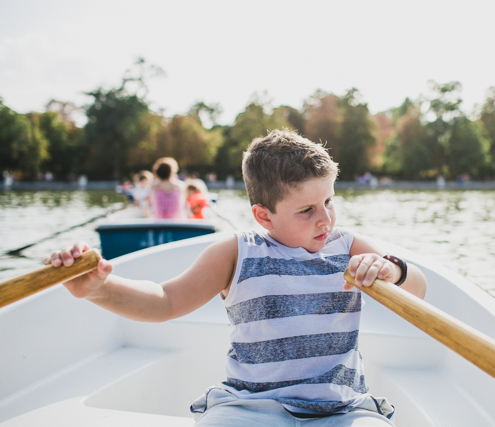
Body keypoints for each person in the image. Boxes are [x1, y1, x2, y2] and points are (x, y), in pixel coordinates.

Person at [44, 129, 427, 426]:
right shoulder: (237, 252)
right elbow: (166, 299)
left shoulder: (349, 246)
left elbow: (418, 290)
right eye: (306, 210)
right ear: (264, 216)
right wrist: (100, 288)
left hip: (342, 408)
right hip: (251, 406)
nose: (325, 218)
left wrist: (391, 269)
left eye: (329, 201)